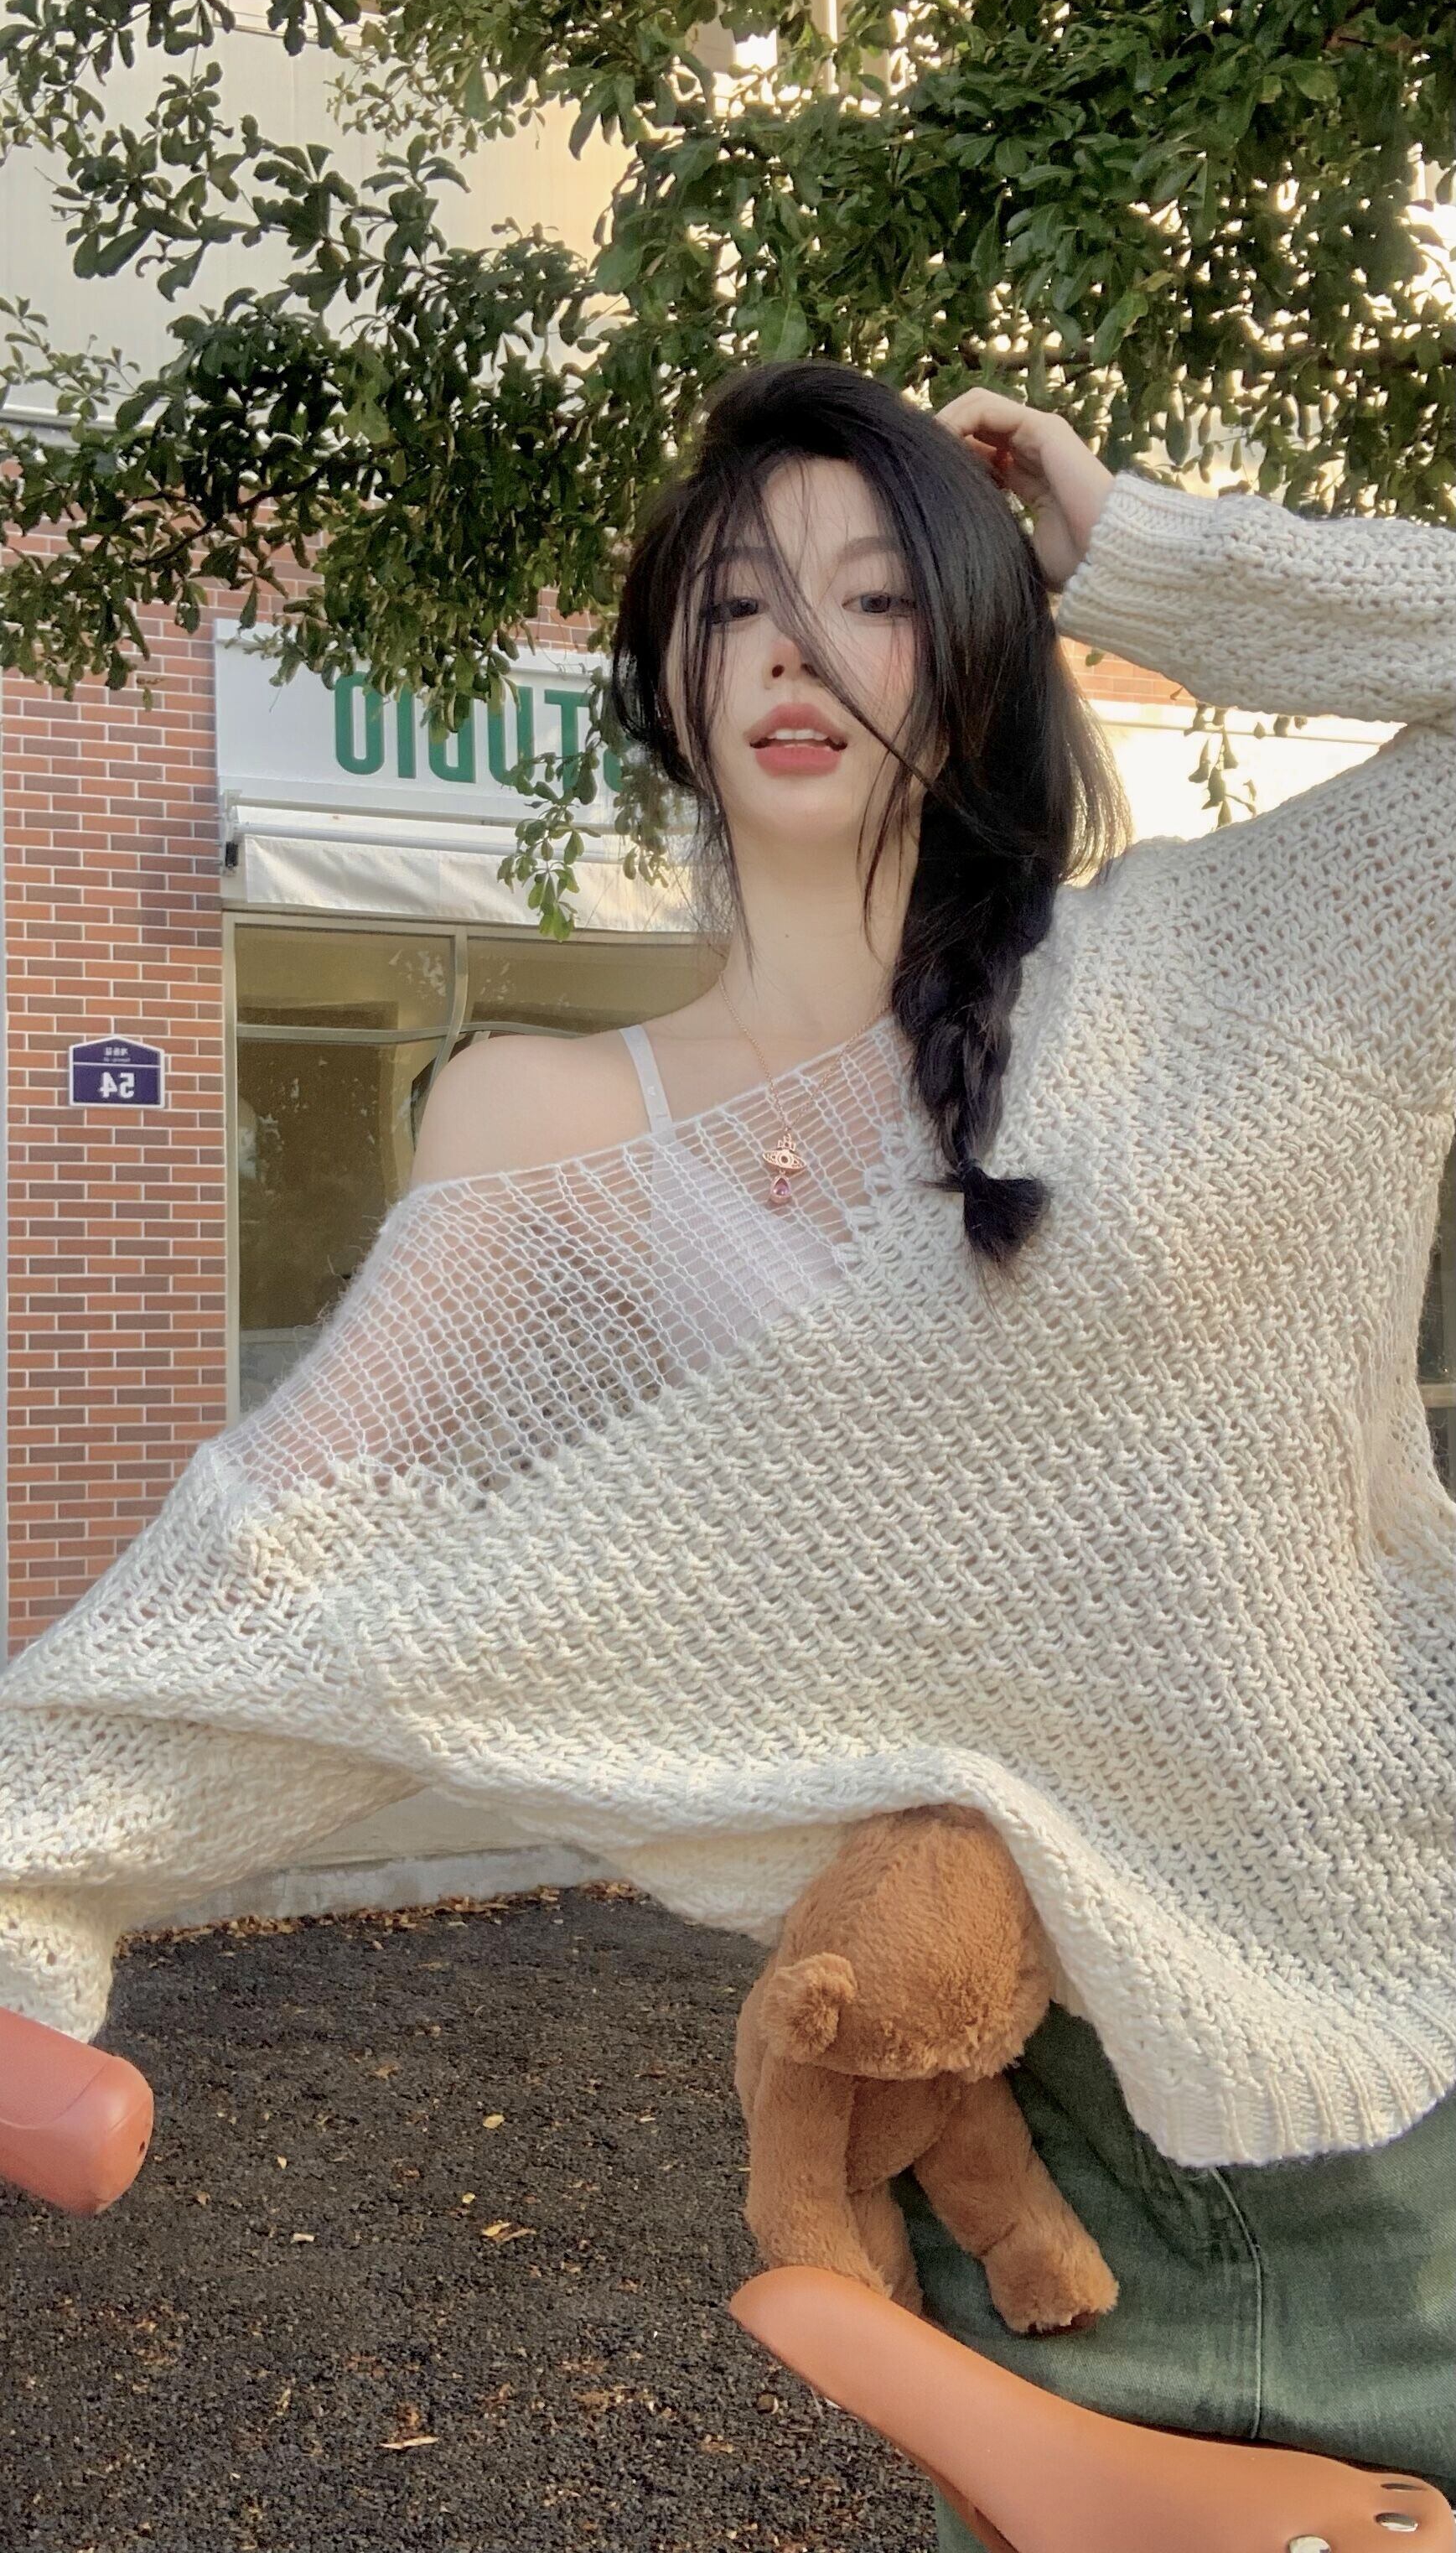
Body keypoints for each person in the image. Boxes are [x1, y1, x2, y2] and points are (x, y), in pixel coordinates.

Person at [2, 364, 1453, 2547]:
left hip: (1413, 1992)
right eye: (739, 602)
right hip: (1062, 2136)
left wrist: (1155, 559)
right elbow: (292, 1563)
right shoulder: (547, 1125)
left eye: (878, 596)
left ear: (983, 654)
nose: (796, 650)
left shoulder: (1227, 969)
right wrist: (26, 1864)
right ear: (666, 675)